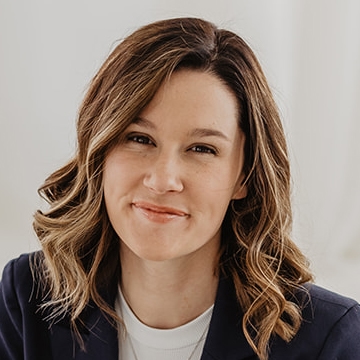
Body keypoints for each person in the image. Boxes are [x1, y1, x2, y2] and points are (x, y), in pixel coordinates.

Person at [0, 17, 359, 360]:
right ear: (100, 153)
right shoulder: (27, 300)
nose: (163, 180)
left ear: (244, 177)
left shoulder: (328, 340)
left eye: (202, 149)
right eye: (139, 139)